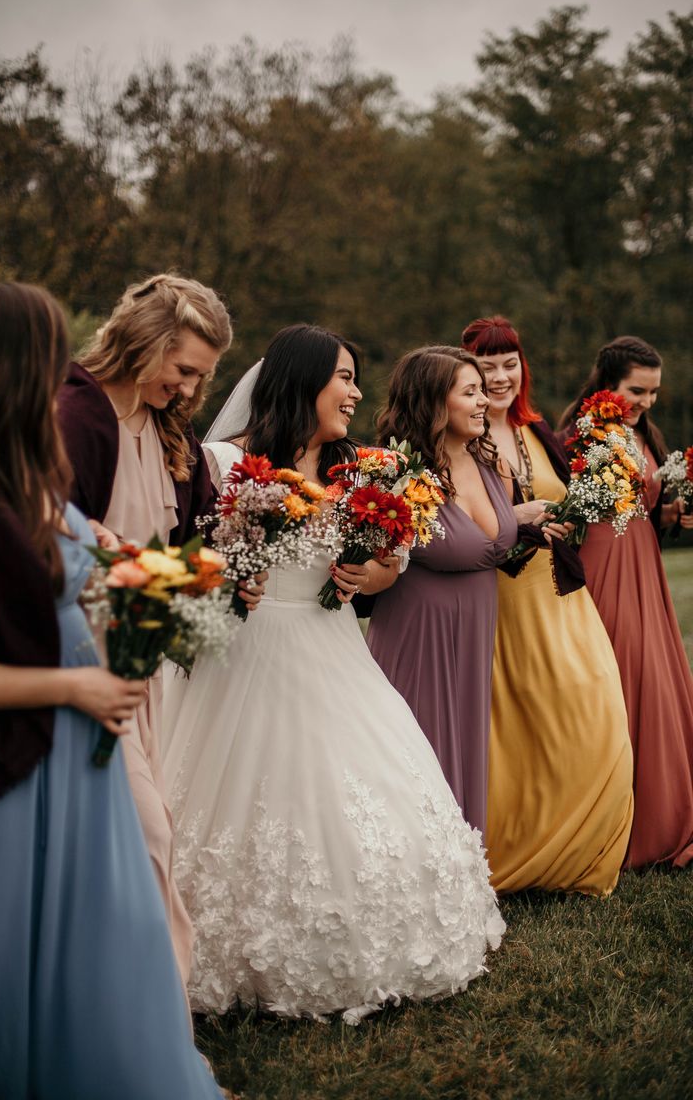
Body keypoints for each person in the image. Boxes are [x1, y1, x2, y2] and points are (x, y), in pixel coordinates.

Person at [161, 324, 505, 1023]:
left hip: (334, 650)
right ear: (301, 381)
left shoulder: (363, 469)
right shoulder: (223, 462)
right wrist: (226, 578)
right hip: (244, 656)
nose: (354, 392)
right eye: (342, 377)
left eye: (355, 377)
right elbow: (179, 555)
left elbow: (395, 557)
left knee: (364, 788)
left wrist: (375, 568)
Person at [0, 282, 223, 1098]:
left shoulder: (22, 464)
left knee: (107, 908)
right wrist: (78, 683)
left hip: (79, 738)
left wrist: (124, 561)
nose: (61, 376)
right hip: (32, 742)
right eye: (46, 357)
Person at [57, 272, 262, 985]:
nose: (187, 390)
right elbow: (51, 541)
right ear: (145, 342)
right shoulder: (74, 415)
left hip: (142, 668)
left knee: (132, 838)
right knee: (145, 835)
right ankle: (151, 1022)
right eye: (182, 370)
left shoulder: (170, 429)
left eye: (202, 378)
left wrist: (230, 573)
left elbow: (199, 537)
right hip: (77, 662)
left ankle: (121, 1011)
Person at [460, 315, 634, 895]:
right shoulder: (465, 440)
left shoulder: (539, 431)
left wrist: (588, 504)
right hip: (505, 602)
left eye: (510, 364)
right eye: (487, 369)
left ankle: (581, 852)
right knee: (521, 729)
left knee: (597, 713)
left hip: (562, 596)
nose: (501, 377)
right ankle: (520, 854)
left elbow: (565, 504)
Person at [365, 347, 518, 835]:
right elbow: (369, 555)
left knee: (466, 745)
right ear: (433, 402)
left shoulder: (492, 465)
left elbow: (497, 539)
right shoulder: (396, 474)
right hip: (419, 636)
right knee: (419, 755)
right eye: (469, 392)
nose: (484, 401)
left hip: (475, 631)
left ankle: (464, 879)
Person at [559, 336, 693, 869]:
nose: (647, 402)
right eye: (638, 390)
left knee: (656, 679)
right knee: (616, 676)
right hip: (604, 567)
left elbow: (641, 504)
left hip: (645, 569)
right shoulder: (585, 433)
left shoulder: (643, 434)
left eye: (655, 392)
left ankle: (661, 809)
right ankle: (613, 823)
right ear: (607, 382)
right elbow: (581, 505)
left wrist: (669, 514)